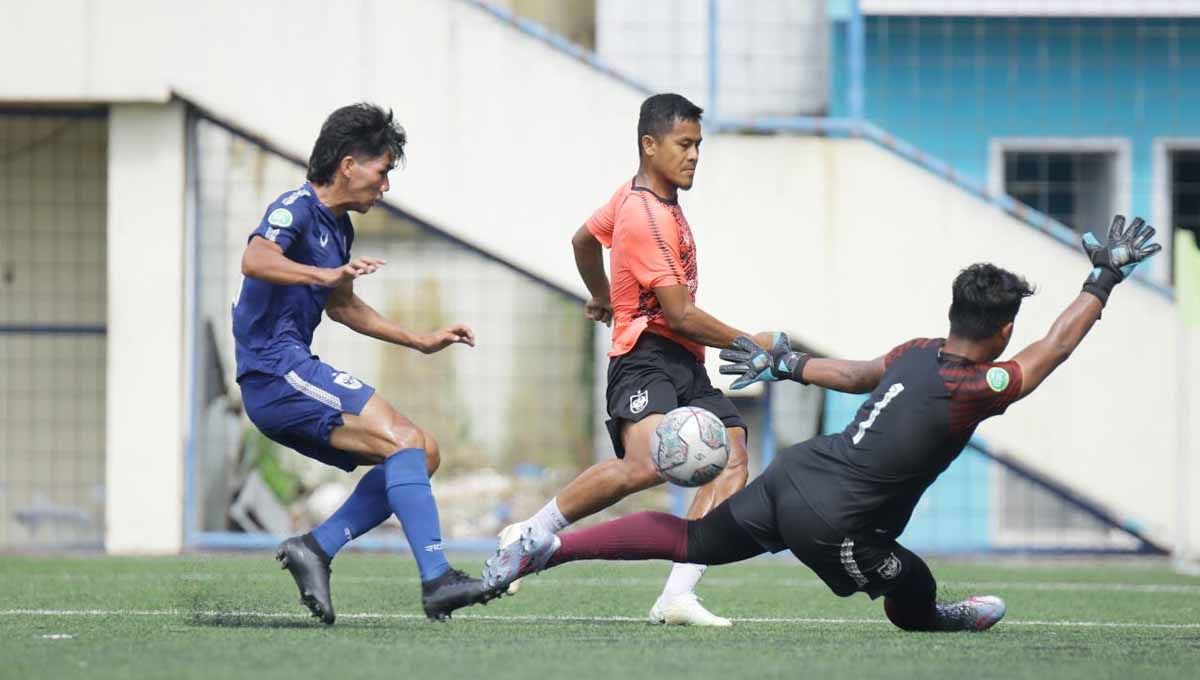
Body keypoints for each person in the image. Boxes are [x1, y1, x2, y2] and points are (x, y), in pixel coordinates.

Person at [482, 216, 1160, 631]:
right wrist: (1102, 280)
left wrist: (786, 362)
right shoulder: (979, 386)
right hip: (838, 524)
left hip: (796, 473)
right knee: (915, 588)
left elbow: (857, 373)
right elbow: (1054, 350)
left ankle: (546, 548)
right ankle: (940, 621)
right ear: (1005, 328)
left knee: (694, 541)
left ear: (954, 313)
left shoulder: (917, 352)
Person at [497, 93, 782, 626]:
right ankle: (530, 533)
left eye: (699, 145)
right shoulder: (644, 217)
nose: (694, 155)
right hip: (644, 355)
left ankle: (677, 595)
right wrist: (749, 344)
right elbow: (680, 313)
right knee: (646, 464)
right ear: (649, 145)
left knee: (734, 455)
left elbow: (582, 240)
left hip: (682, 360)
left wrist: (602, 292)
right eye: (684, 144)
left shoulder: (642, 198)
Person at [232, 103, 492, 623]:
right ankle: (437, 579)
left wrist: (418, 340)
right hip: (273, 371)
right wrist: (319, 275)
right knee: (403, 440)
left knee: (422, 451)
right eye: (384, 169)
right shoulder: (296, 208)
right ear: (349, 164)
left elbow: (344, 304)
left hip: (293, 370)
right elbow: (255, 258)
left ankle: (317, 548)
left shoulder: (340, 228)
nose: (387, 185)